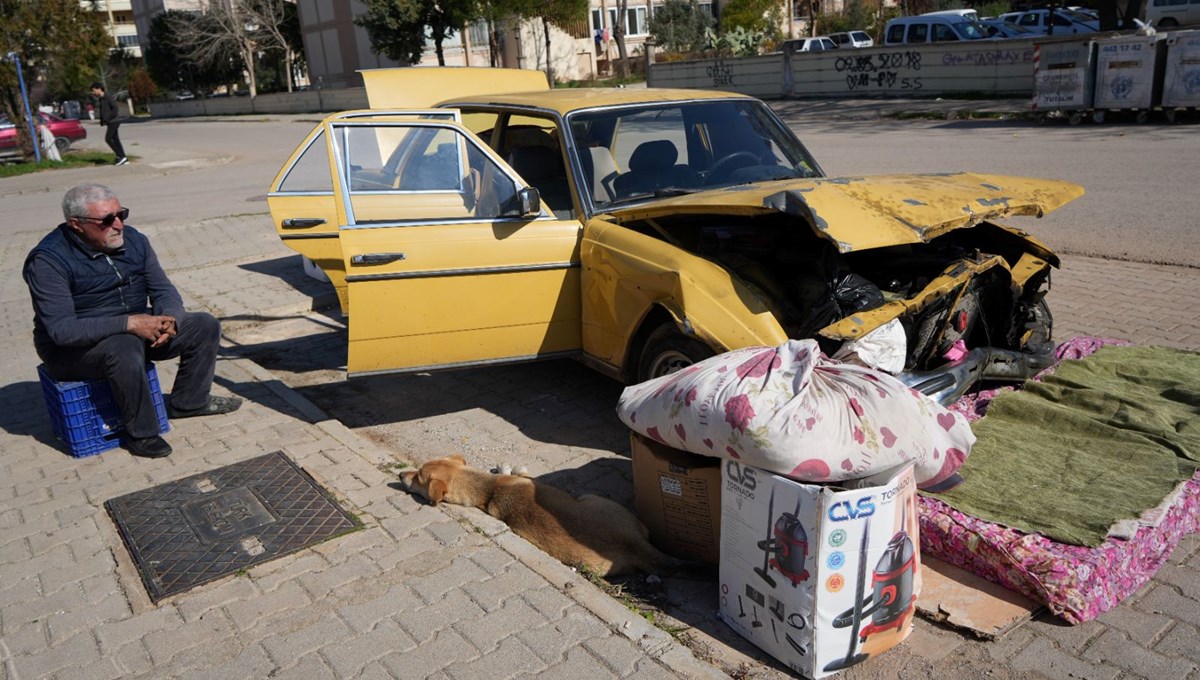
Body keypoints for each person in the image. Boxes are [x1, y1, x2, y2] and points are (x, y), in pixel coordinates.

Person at [23, 184, 242, 458]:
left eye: (120, 214)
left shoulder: (135, 240)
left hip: (134, 331)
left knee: (203, 325)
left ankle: (189, 403)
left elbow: (163, 289)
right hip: (71, 351)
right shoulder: (48, 261)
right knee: (123, 347)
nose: (118, 225)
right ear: (76, 225)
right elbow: (62, 330)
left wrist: (169, 319)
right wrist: (131, 324)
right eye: (106, 220)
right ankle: (142, 433)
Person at [90, 82, 127, 165]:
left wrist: (108, 118)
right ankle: (122, 157)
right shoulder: (101, 98)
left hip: (114, 121)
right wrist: (103, 120)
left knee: (108, 139)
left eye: (94, 90)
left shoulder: (107, 96)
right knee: (116, 140)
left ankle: (121, 156)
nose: (93, 93)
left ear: (99, 89)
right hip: (110, 122)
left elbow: (115, 108)